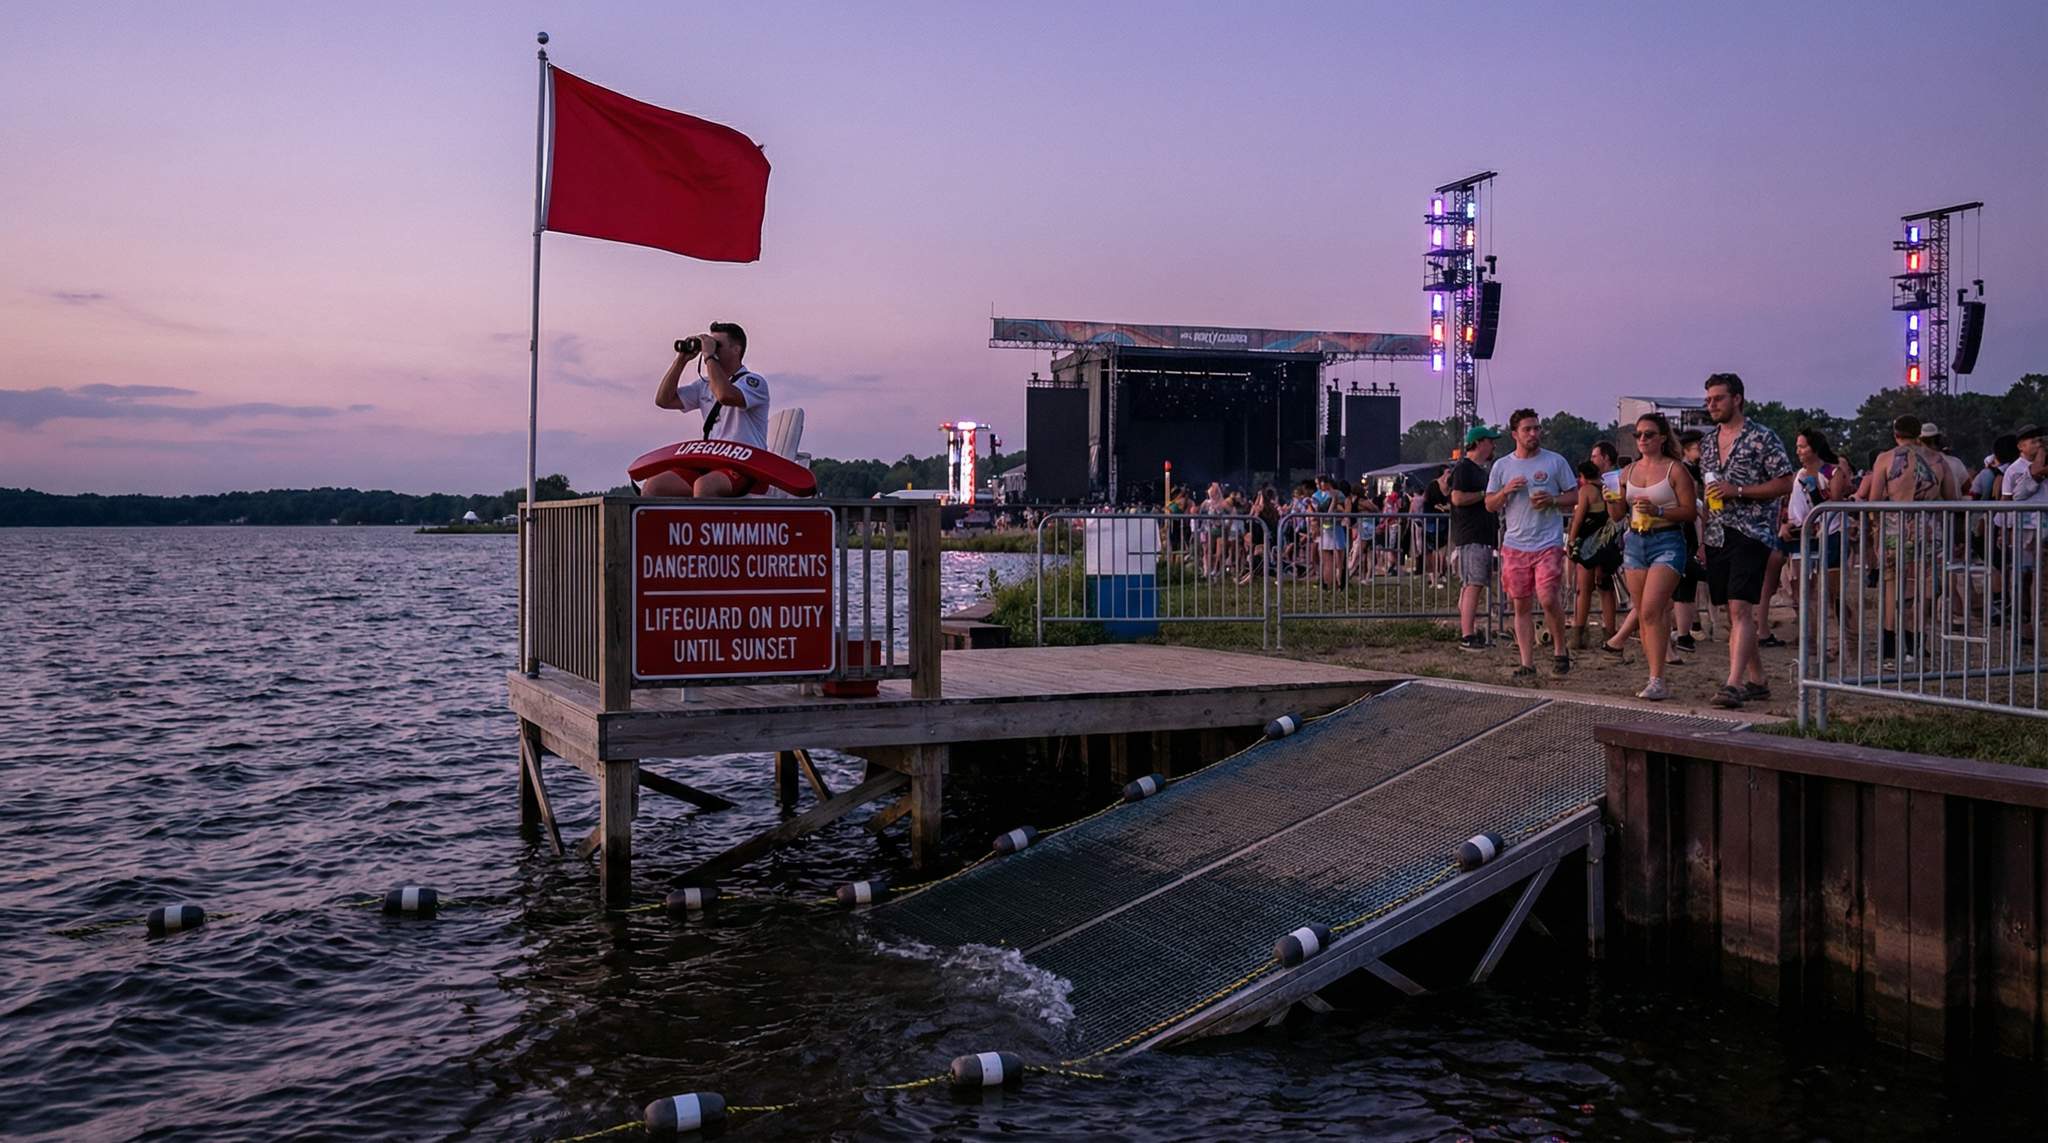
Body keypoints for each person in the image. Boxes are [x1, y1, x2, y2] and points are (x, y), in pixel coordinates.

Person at [1698, 373, 1796, 709]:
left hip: (1752, 530)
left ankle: (1733, 683)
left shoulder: (1762, 437)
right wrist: (1703, 533)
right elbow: (1709, 490)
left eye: (1718, 399)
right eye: (1708, 399)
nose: (1711, 405)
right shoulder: (1708, 443)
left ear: (1737, 398)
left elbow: (1785, 482)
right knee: (1730, 610)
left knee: (1741, 607)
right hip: (1718, 532)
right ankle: (1758, 679)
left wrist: (1739, 491)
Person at [1601, 413, 1698, 700]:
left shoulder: (1675, 470)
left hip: (1667, 540)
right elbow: (1618, 516)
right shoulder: (1628, 472)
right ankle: (1654, 675)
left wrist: (1658, 511)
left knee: (1652, 609)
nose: (1642, 439)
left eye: (1649, 434)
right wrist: (1612, 502)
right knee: (1644, 612)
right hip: (1635, 541)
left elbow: (1690, 512)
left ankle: (1658, 679)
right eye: (1638, 435)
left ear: (1663, 438)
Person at [1485, 409, 1580, 678]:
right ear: (1515, 434)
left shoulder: (1555, 461)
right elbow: (1489, 504)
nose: (1533, 434)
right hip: (1515, 544)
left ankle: (1561, 650)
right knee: (1521, 603)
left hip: (1547, 541)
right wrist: (1505, 491)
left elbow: (1574, 495)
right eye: (1527, 429)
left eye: (1537, 428)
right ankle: (1527, 663)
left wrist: (1552, 500)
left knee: (1549, 597)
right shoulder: (1502, 466)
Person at [1867, 413, 1960, 667]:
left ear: (1895, 434)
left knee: (1891, 591)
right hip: (1929, 533)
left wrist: (1876, 532)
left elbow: (1874, 500)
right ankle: (1917, 648)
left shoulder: (1885, 459)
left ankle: (1889, 652)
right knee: (1923, 592)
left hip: (1894, 533)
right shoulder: (1938, 460)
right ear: (1919, 433)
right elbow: (1952, 498)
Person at [646, 322, 771, 497]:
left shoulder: (754, 382)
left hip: (746, 466)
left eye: (717, 345)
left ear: (736, 349)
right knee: (653, 487)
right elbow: (663, 400)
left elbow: (724, 395)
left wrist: (709, 357)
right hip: (712, 462)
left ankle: (703, 525)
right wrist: (681, 359)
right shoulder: (704, 385)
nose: (712, 349)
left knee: (705, 487)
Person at [1781, 426, 1853, 661]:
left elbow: (1835, 501)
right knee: (1803, 590)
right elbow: (1795, 507)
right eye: (1798, 446)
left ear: (1814, 448)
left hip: (1831, 533)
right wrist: (1789, 524)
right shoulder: (1799, 476)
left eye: (1803, 446)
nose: (1799, 451)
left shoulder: (1832, 472)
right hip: (1805, 535)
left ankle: (1837, 641)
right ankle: (1809, 639)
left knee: (1830, 593)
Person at [1449, 425, 1502, 651]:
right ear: (1479, 442)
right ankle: (1467, 635)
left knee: (1474, 583)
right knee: (1474, 584)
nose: (1493, 446)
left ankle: (1470, 630)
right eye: (1490, 441)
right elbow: (1458, 498)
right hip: (1471, 535)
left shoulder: (1481, 470)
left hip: (1482, 535)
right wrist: (1484, 496)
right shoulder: (1464, 469)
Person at [1566, 442, 1623, 649]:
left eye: (1595, 456)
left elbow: (1579, 518)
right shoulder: (1617, 483)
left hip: (1590, 544)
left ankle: (1578, 634)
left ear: (1605, 457)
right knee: (1605, 586)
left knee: (1584, 588)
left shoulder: (1588, 490)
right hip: (1609, 543)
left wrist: (1571, 541)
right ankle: (1609, 633)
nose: (1593, 460)